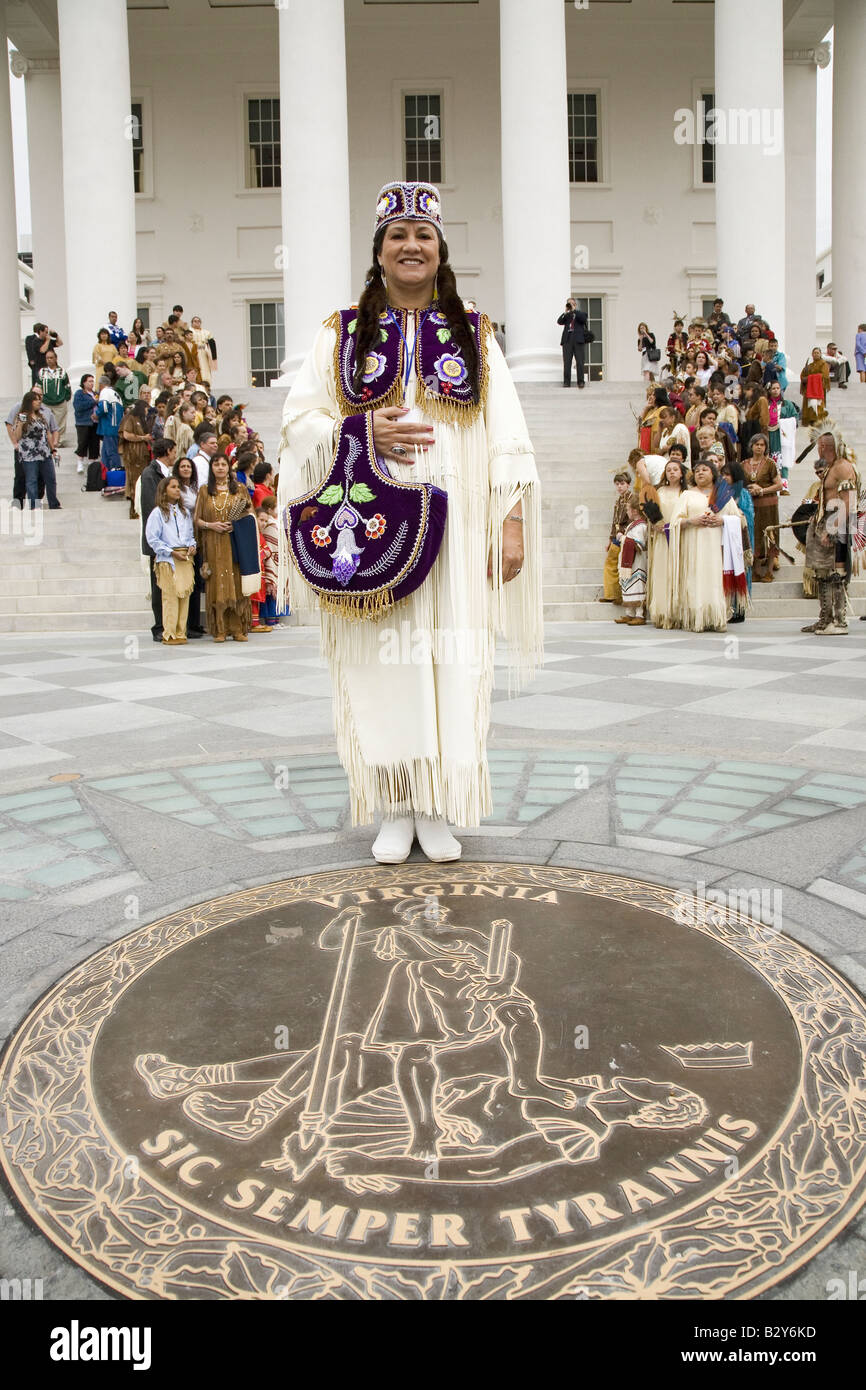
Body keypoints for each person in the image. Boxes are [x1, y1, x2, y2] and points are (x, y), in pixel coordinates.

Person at [277, 178, 540, 865]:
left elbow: (507, 433)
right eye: (398, 235)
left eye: (423, 234)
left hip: (456, 532)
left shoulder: (475, 336)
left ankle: (437, 805)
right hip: (371, 530)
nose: (411, 245)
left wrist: (508, 524)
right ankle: (395, 806)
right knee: (381, 664)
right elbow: (299, 423)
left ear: (440, 249)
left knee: (453, 660)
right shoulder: (339, 335)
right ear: (380, 251)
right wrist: (360, 429)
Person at [669, 458, 745, 632]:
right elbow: (674, 522)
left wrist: (722, 520)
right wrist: (691, 521)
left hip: (717, 548)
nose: (700, 473)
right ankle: (698, 619)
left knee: (715, 582)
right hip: (694, 547)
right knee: (695, 580)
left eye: (705, 470)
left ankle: (718, 618)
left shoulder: (723, 495)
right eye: (697, 471)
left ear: (713, 473)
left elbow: (740, 519)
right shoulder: (687, 495)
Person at [801, 427, 859, 636]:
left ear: (824, 447)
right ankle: (825, 619)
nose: (817, 449)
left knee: (837, 573)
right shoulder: (832, 466)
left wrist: (832, 529)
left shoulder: (843, 467)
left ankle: (839, 621)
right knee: (822, 573)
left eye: (818, 446)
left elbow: (849, 501)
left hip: (839, 523)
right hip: (826, 520)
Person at [194, 454, 253, 642]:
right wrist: (212, 525)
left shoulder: (239, 489)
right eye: (216, 464)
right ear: (211, 468)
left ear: (229, 467)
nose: (220, 468)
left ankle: (237, 628)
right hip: (214, 542)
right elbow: (197, 519)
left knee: (235, 581)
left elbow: (248, 513)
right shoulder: (204, 491)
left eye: (223, 464)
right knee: (218, 582)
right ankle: (220, 628)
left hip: (235, 541)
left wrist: (235, 524)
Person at [144, 476, 197, 645]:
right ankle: (170, 633)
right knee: (170, 597)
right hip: (169, 558)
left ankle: (181, 632)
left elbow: (189, 534)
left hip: (185, 557)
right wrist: (170, 552)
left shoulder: (185, 512)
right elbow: (152, 538)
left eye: (178, 487)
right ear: (164, 490)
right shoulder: (158, 513)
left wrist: (192, 546)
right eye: (173, 487)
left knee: (185, 595)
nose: (176, 490)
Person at [648, 449, 689, 629]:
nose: (672, 472)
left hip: (681, 536)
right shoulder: (660, 490)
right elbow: (652, 512)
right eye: (669, 469)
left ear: (682, 473)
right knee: (662, 571)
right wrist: (654, 524)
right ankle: (662, 612)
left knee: (680, 572)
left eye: (675, 469)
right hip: (662, 537)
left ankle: (679, 612)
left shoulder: (686, 492)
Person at [10, 390, 60, 509]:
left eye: (39, 399)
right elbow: (17, 436)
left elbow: (47, 433)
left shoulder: (41, 416)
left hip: (44, 452)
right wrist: (21, 424)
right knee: (31, 480)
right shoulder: (22, 416)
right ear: (30, 401)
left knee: (51, 479)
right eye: (36, 399)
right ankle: (34, 505)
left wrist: (53, 449)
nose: (39, 401)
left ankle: (54, 503)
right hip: (29, 453)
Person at [742, 434, 780, 583]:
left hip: (768, 505)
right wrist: (750, 489)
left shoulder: (770, 464)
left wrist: (762, 490)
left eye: (762, 445)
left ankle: (769, 571)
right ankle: (756, 571)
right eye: (756, 444)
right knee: (755, 535)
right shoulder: (743, 464)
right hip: (751, 505)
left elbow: (779, 485)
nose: (759, 447)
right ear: (751, 446)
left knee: (770, 535)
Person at [720, 459, 754, 608]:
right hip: (723, 536)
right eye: (723, 475)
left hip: (739, 537)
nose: (725, 477)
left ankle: (739, 606)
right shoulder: (719, 492)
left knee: (740, 569)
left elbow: (749, 515)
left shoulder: (743, 493)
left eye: (728, 474)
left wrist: (737, 514)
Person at [614, 494, 648, 625]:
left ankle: (639, 614)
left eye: (627, 509)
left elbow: (638, 544)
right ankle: (629, 613)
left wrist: (622, 538)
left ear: (634, 511)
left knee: (637, 585)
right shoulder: (632, 524)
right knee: (628, 585)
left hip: (637, 562)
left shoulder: (641, 526)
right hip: (629, 563)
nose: (627, 512)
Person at [600, 469, 631, 605]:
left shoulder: (631, 500)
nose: (619, 486)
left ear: (628, 484)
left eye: (622, 483)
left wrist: (624, 534)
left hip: (626, 536)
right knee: (611, 564)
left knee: (620, 565)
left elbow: (632, 519)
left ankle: (620, 594)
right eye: (617, 484)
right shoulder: (618, 501)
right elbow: (614, 522)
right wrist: (610, 539)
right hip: (616, 537)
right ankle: (612, 593)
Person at [119, 401, 153, 519]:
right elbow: (126, 435)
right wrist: (143, 438)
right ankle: (133, 511)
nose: (147, 411)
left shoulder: (141, 419)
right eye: (146, 409)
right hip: (133, 455)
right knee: (134, 482)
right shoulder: (130, 419)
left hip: (142, 456)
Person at [766, 380, 799, 493]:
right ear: (769, 390)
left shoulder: (787, 404)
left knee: (783, 458)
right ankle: (771, 484)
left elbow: (795, 417)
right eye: (773, 388)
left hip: (782, 434)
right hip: (769, 434)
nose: (775, 390)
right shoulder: (765, 404)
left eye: (777, 388)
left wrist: (785, 423)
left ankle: (784, 485)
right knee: (769, 457)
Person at [37, 349, 71, 448]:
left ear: (56, 358)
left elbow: (67, 386)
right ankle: (46, 441)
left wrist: (66, 398)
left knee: (60, 423)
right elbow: (38, 385)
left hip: (60, 401)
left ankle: (58, 442)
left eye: (51, 358)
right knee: (45, 422)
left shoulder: (62, 371)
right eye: (47, 358)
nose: (49, 360)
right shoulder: (42, 371)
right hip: (46, 402)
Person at [72, 374, 100, 476]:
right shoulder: (80, 393)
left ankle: (92, 463)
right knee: (83, 441)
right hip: (83, 422)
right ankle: (80, 461)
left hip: (95, 422)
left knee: (94, 443)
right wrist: (93, 402)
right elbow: (79, 407)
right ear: (84, 382)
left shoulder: (96, 393)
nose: (91, 383)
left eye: (93, 381)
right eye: (89, 381)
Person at [557, 297, 588, 388]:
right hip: (567, 340)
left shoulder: (581, 314)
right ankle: (566, 382)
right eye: (568, 303)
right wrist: (565, 311)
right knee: (567, 362)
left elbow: (583, 319)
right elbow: (559, 321)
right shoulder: (567, 315)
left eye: (571, 303)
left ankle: (581, 382)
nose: (570, 305)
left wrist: (574, 310)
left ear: (575, 304)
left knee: (579, 361)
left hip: (578, 340)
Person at [800, 348, 830, 425]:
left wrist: (810, 378)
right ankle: (810, 420)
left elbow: (825, 376)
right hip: (809, 389)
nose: (816, 354)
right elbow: (803, 375)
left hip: (819, 389)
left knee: (818, 406)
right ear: (812, 354)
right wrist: (804, 379)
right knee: (809, 406)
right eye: (814, 353)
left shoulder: (824, 364)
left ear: (820, 354)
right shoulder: (809, 366)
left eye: (817, 353)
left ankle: (818, 420)